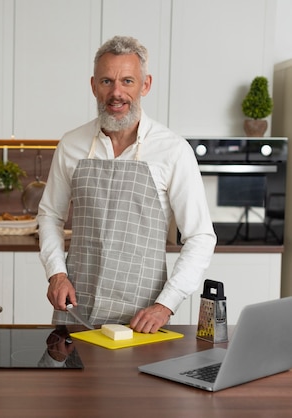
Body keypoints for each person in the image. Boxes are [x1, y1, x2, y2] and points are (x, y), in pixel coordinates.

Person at [37, 36, 217, 333]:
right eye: (107, 81)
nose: (116, 93)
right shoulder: (71, 144)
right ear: (93, 85)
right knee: (70, 381)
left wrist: (166, 305)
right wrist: (56, 273)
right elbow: (50, 216)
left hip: (142, 318)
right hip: (76, 310)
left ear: (145, 85)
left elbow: (200, 237)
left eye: (127, 81)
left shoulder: (173, 150)